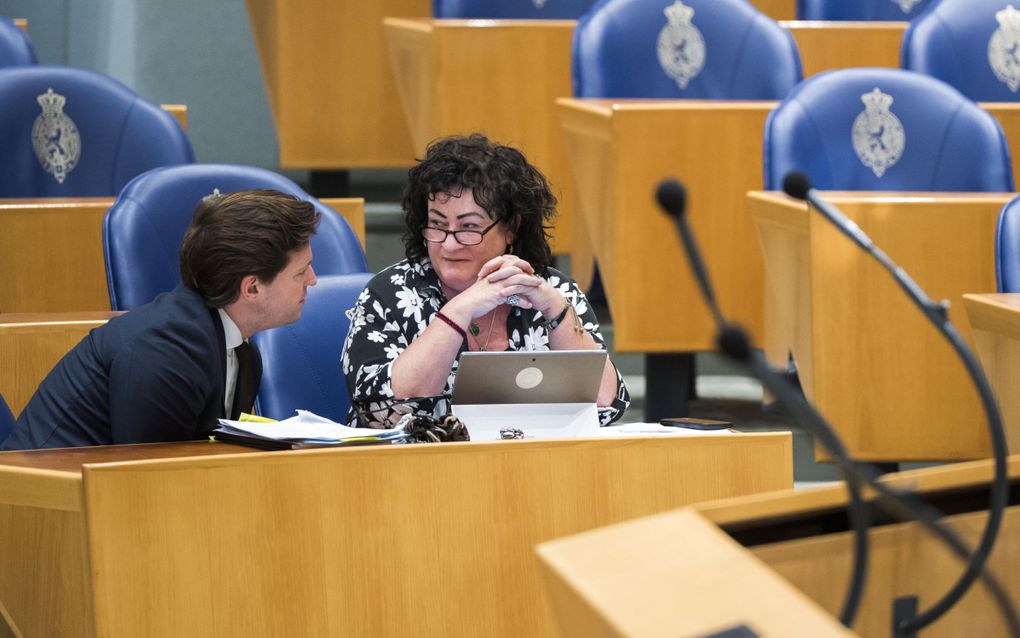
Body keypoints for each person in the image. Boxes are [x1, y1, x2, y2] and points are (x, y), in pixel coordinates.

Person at [342, 134, 629, 427]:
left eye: (469, 228)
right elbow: (381, 411)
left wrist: (557, 311)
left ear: (511, 228)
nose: (449, 245)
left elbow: (608, 404)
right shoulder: (388, 295)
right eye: (438, 225)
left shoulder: (555, 292)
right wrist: (459, 310)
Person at [1, 189, 320, 450]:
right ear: (251, 287)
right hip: (46, 512)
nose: (313, 280)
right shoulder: (164, 352)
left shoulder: (238, 349)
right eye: (300, 272)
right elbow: (153, 483)